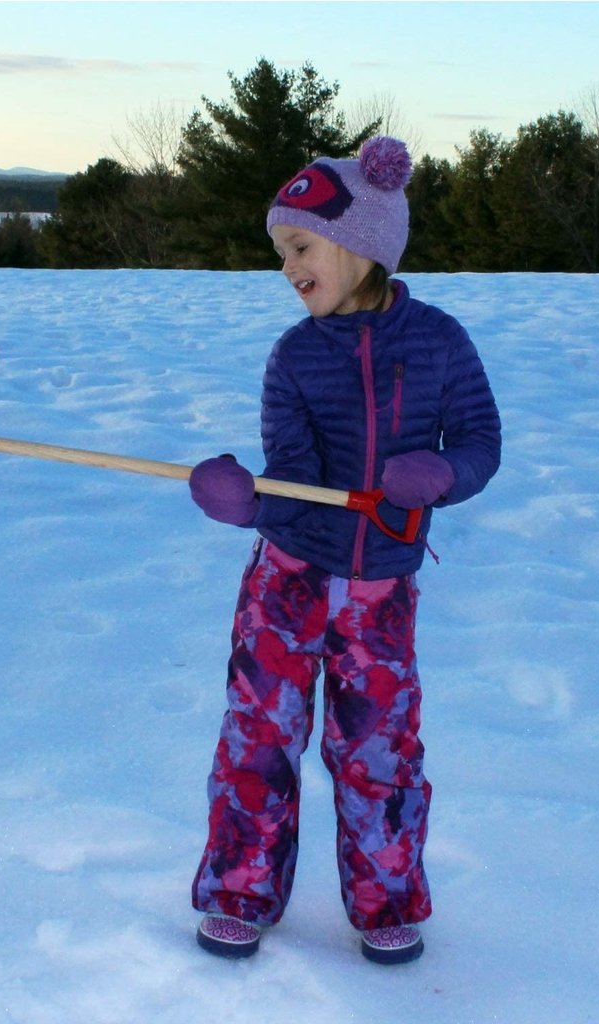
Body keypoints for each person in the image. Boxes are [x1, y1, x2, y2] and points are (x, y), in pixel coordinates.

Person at [187, 136, 501, 965]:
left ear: (363, 243)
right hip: (287, 582)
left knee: (380, 752)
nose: (287, 268)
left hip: (381, 594)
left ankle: (385, 901)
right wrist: (249, 502)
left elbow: (480, 441)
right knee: (259, 739)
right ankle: (239, 891)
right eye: (280, 252)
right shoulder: (293, 356)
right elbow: (292, 471)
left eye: (299, 246)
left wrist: (443, 472)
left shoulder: (439, 344)